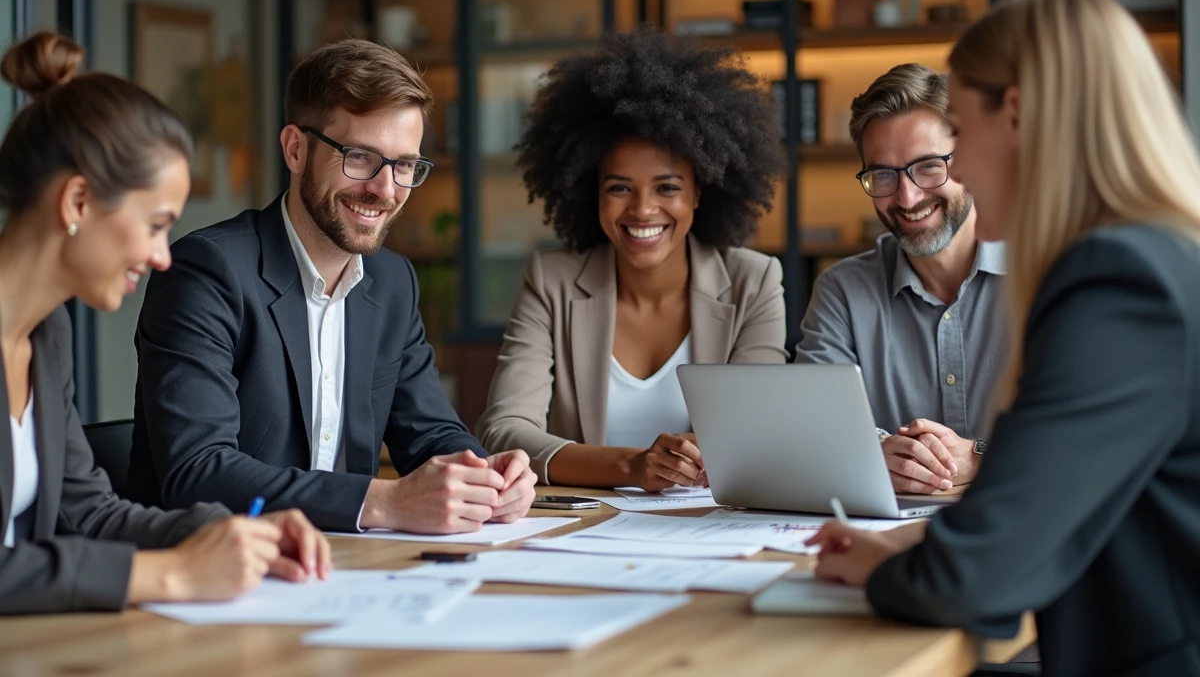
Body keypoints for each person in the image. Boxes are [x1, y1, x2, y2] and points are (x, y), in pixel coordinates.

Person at [808, 0, 1200, 676]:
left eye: (958, 128)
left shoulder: (1115, 280)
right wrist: (916, 550)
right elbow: (1053, 505)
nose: (936, 181)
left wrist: (881, 567)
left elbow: (973, 578)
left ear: (1013, 114)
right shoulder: (1153, 253)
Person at [126, 39, 536, 534]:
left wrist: (486, 476)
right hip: (215, 577)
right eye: (361, 157)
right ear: (295, 149)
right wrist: (382, 502)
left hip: (348, 569)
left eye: (404, 165)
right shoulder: (208, 271)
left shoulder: (392, 282)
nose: (385, 190)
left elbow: (430, 434)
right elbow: (196, 471)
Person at [0, 32, 329, 615]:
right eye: (155, 224)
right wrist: (171, 575)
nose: (162, 256)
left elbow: (91, 515)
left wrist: (234, 533)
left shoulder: (45, 337)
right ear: (77, 201)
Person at [476, 28, 789, 489]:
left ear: (700, 192)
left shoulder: (753, 281)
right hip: (585, 525)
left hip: (707, 523)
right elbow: (504, 429)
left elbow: (757, 429)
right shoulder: (552, 280)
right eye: (619, 187)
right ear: (590, 192)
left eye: (667, 187)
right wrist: (631, 467)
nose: (642, 210)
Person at [794, 64, 1006, 494]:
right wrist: (877, 452)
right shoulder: (842, 291)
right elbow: (810, 431)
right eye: (884, 175)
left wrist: (983, 455)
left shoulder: (1049, 270)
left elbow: (1099, 428)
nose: (907, 198)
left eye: (928, 166)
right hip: (885, 539)